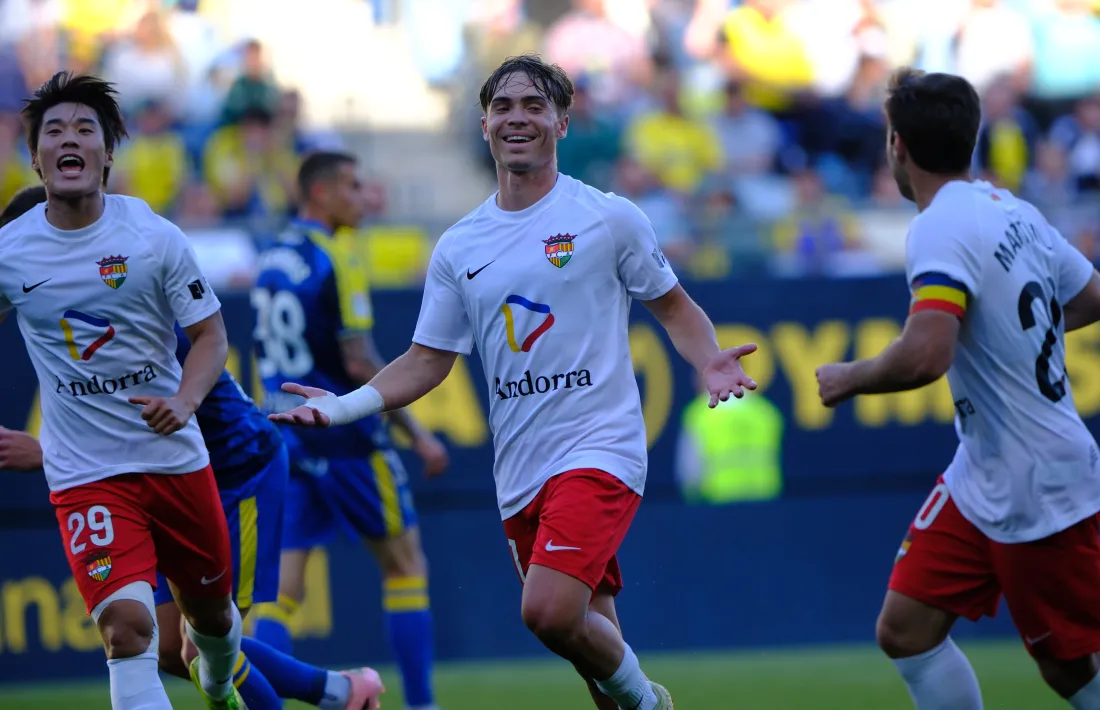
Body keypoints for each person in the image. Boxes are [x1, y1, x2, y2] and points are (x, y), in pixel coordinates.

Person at [269, 54, 759, 710]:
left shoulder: (608, 218)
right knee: (588, 644)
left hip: (600, 448)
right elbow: (426, 359)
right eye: (504, 106)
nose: (517, 117)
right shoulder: (460, 246)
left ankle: (652, 703)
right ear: (483, 125)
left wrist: (707, 358)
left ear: (561, 120)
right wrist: (343, 408)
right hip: (520, 469)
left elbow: (672, 305)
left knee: (549, 612)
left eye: (534, 105)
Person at [0, 185, 385, 710]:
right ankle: (340, 692)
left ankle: (339, 693)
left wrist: (46, 453)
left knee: (200, 644)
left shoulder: (128, 310)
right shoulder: (60, 312)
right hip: (160, 480)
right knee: (165, 651)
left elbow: (142, 429)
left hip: (235, 474)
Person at [816, 67, 1100, 710]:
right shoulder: (1012, 208)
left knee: (1068, 665)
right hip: (983, 468)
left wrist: (848, 378)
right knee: (906, 629)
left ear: (897, 146)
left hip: (1038, 482)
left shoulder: (940, 226)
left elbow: (925, 355)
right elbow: (1089, 297)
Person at [0, 71, 244, 710]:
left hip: (174, 461)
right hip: (87, 476)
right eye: (55, 130)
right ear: (37, 157)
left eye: (86, 128)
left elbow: (211, 337)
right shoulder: (11, 252)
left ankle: (218, 680)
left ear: (108, 153)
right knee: (127, 629)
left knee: (212, 621)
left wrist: (184, 402)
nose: (69, 139)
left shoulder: (153, 238)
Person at [251, 151, 448, 710]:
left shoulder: (272, 256)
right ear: (321, 194)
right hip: (347, 440)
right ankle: (421, 705)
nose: (365, 198)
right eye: (354, 187)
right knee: (406, 567)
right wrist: (418, 434)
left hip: (286, 437)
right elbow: (359, 362)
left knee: (281, 594)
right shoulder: (335, 255)